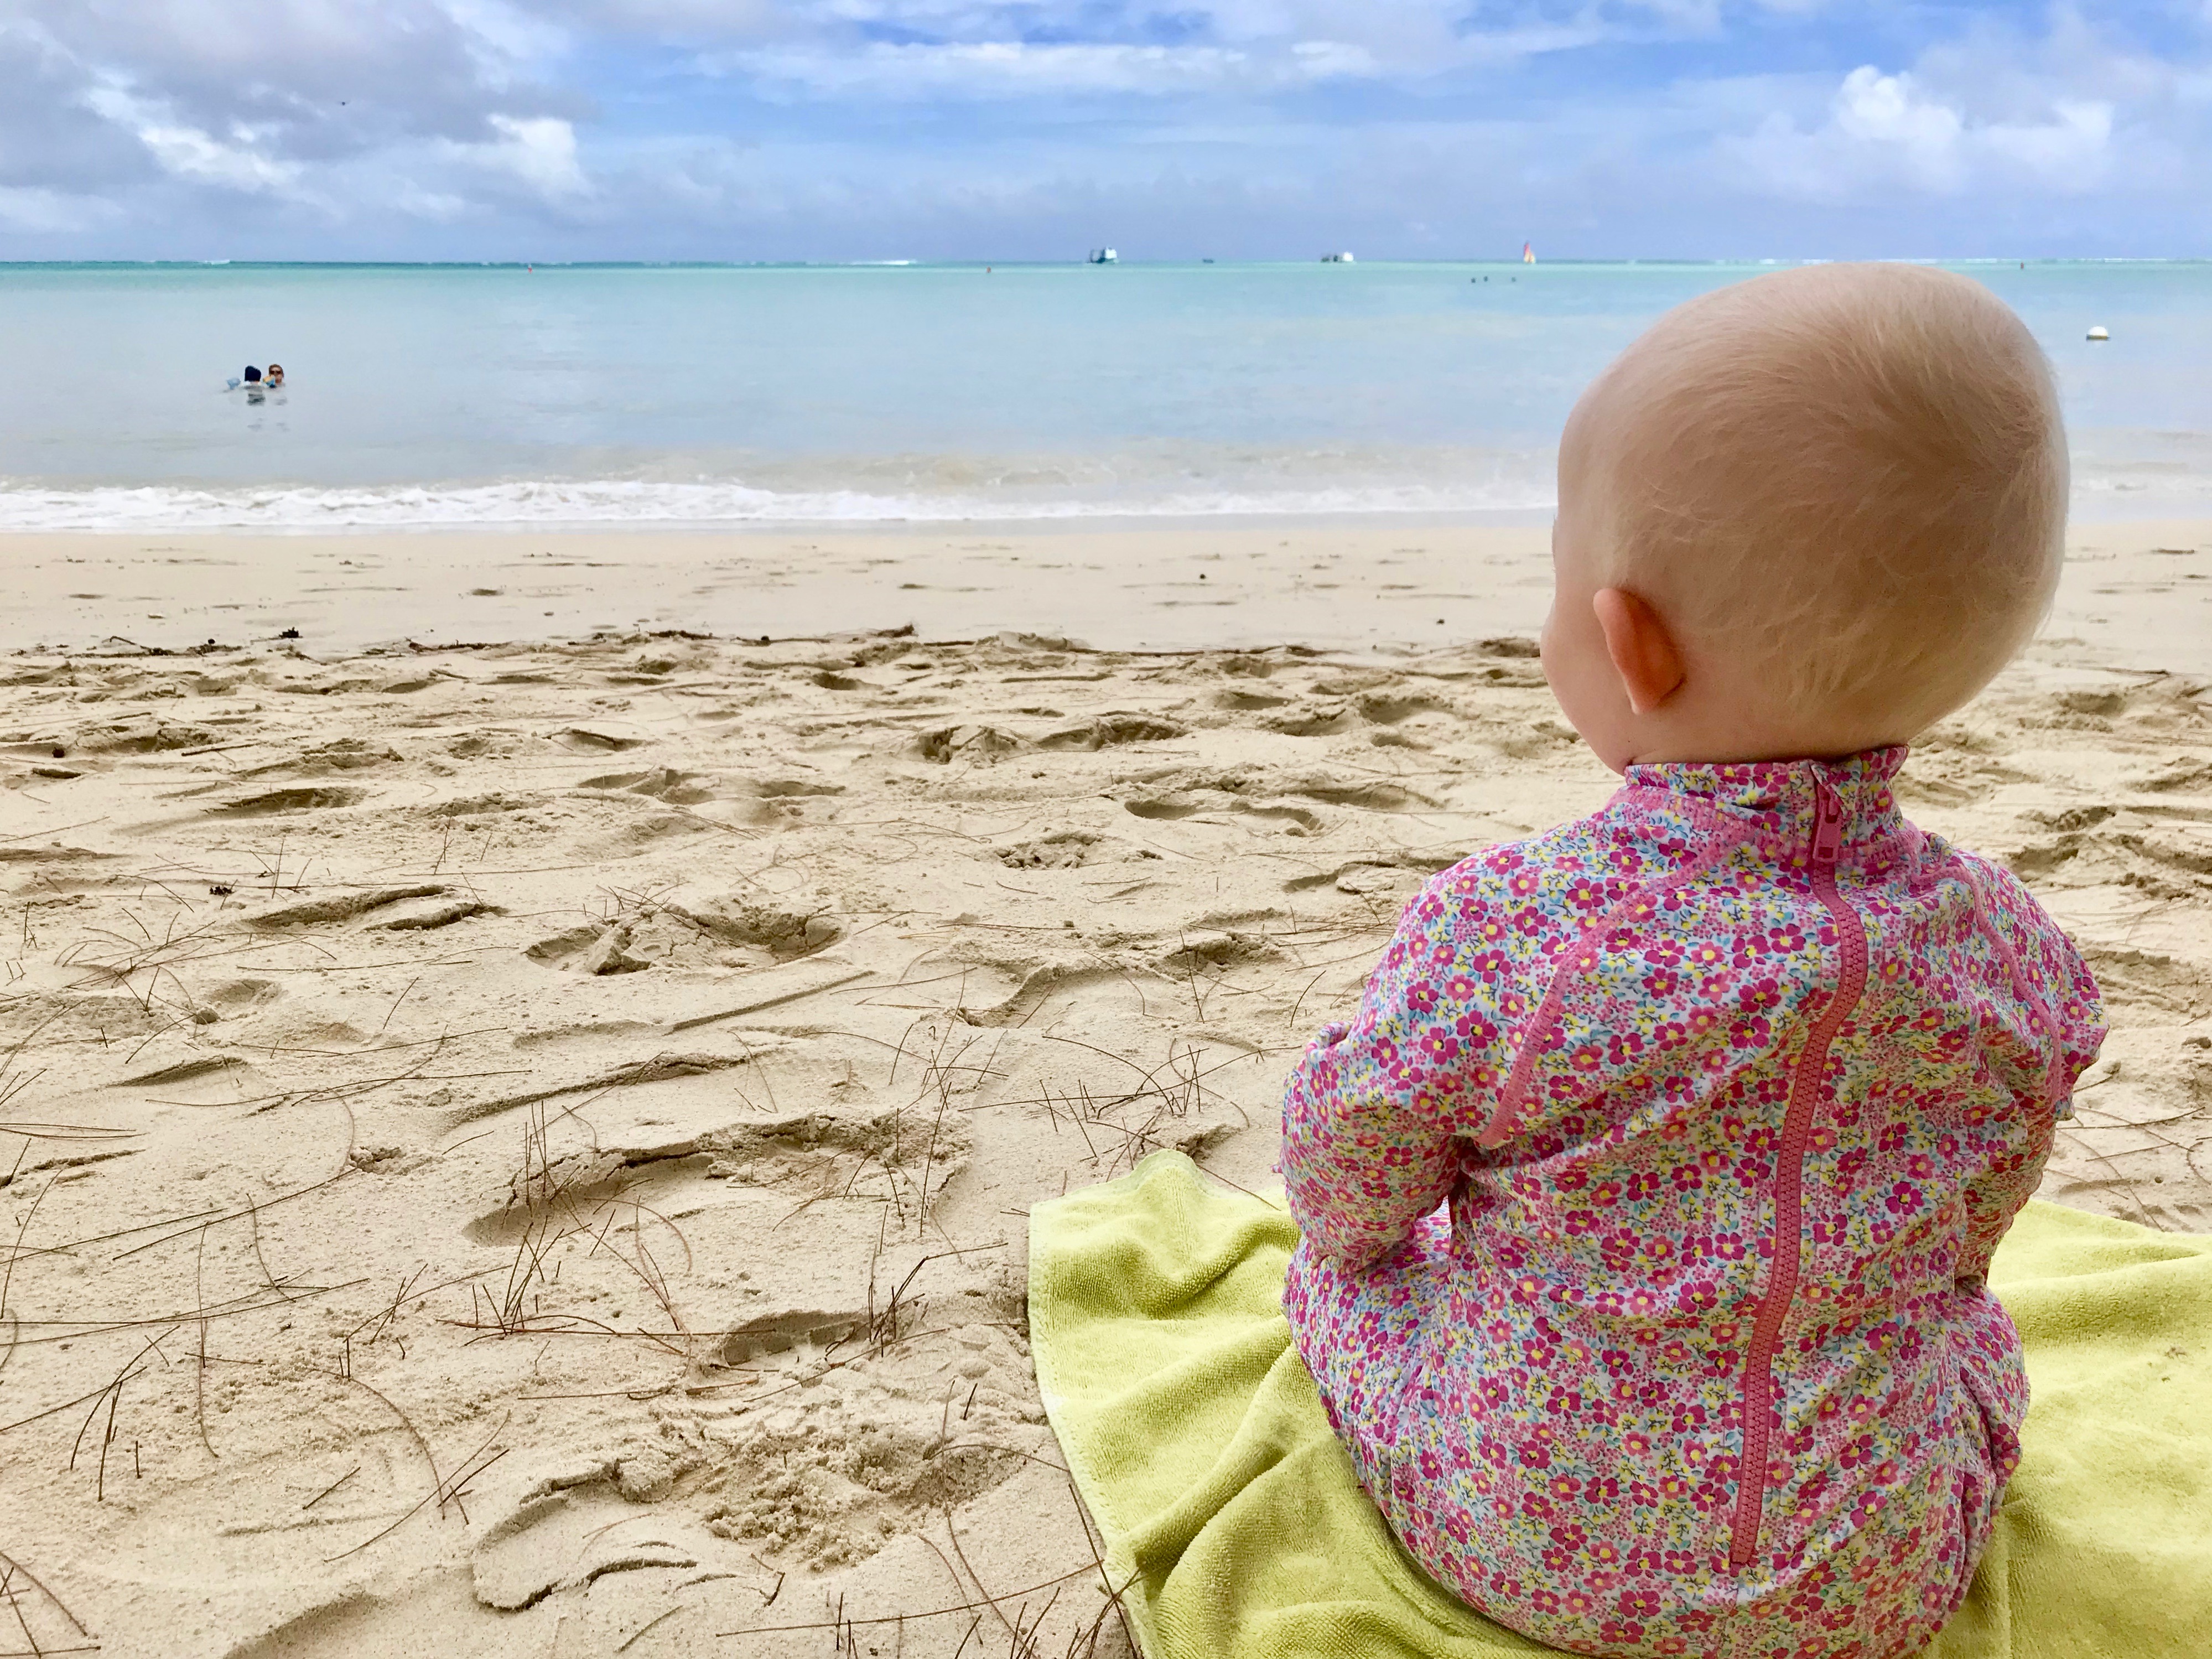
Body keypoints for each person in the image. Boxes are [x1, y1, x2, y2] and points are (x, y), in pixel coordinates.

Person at [1278, 263, 2105, 1659]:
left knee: (1338, 1274)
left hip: (1525, 1531)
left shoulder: (1518, 932)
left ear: (1628, 643)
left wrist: (1357, 1249)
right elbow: (1967, 1236)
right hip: (1878, 1574)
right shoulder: (2016, 960)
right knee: (1952, 1336)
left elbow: (1350, 1170)